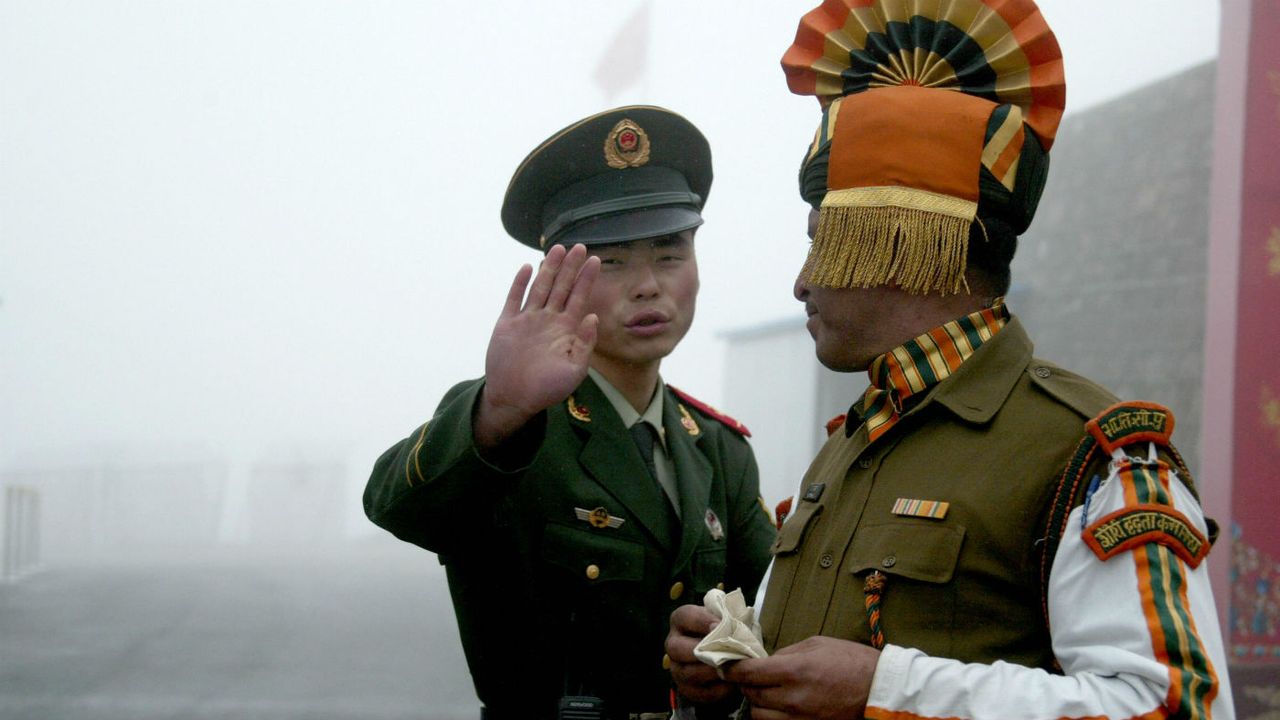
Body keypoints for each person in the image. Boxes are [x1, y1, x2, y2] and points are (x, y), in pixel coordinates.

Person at [666, 2, 1235, 718]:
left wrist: (887, 689)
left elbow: (1177, 706)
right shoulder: (851, 445)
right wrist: (733, 663)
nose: (802, 281)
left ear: (900, 239)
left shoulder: (1091, 455)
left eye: (822, 241)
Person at [364, 105, 777, 720]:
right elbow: (396, 505)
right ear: (561, 275)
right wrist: (499, 408)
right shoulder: (513, 424)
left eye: (671, 252)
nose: (648, 286)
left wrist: (730, 667)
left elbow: (772, 610)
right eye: (611, 261)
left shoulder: (718, 447)